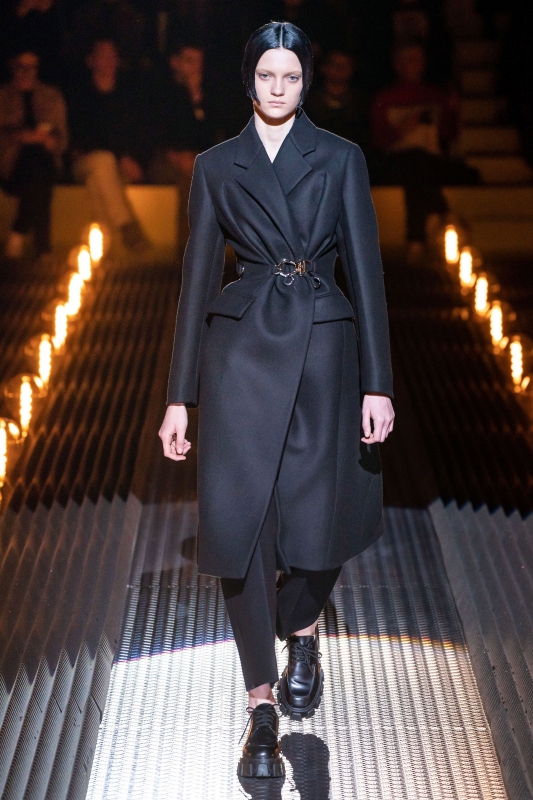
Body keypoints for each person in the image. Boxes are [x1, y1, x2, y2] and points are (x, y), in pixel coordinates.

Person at [159, 22, 394, 778]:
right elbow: (196, 281)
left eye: (291, 76)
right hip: (240, 356)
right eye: (267, 76)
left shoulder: (341, 158)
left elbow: (366, 271)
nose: (279, 88)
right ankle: (259, 706)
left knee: (323, 518)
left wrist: (378, 382)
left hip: (324, 351)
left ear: (305, 81)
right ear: (249, 80)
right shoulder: (215, 166)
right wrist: (179, 398)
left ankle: (304, 626)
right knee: (243, 527)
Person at [371, 41, 478, 263]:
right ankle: (443, 213)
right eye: (408, 60)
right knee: (415, 163)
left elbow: (449, 136)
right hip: (397, 162)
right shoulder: (386, 98)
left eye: (417, 60)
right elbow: (379, 142)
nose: (414, 65)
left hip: (429, 162)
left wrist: (453, 111)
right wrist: (402, 129)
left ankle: (416, 239)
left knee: (420, 165)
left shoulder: (435, 95)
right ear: (397, 64)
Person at [68, 39, 148, 251]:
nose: (109, 61)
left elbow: (138, 133)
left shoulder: (127, 96)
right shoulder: (80, 96)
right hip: (86, 161)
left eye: (113, 56)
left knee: (98, 182)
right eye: (103, 55)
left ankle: (108, 248)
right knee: (103, 161)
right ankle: (127, 226)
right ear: (91, 60)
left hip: (115, 169)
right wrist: (121, 156)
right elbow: (84, 138)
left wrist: (134, 159)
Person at [0, 48, 67, 262]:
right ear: (13, 67)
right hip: (11, 165)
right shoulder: (3, 97)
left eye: (32, 67)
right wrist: (23, 137)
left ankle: (20, 232)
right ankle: (41, 247)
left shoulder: (51, 96)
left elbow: (61, 136)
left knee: (39, 162)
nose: (26, 72)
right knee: (37, 166)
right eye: (22, 66)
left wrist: (49, 141)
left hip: (45, 161)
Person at [150, 42, 216, 233]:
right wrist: (175, 156)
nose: (195, 68)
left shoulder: (206, 95)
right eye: (189, 61)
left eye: (198, 62)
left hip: (195, 159)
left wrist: (195, 99)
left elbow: (209, 136)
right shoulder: (161, 92)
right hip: (163, 159)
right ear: (175, 62)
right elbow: (159, 135)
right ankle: (190, 246)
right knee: (193, 174)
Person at [305, 49, 370, 148]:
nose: (340, 69)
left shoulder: (361, 103)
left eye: (345, 65)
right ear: (324, 68)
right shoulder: (309, 102)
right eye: (335, 64)